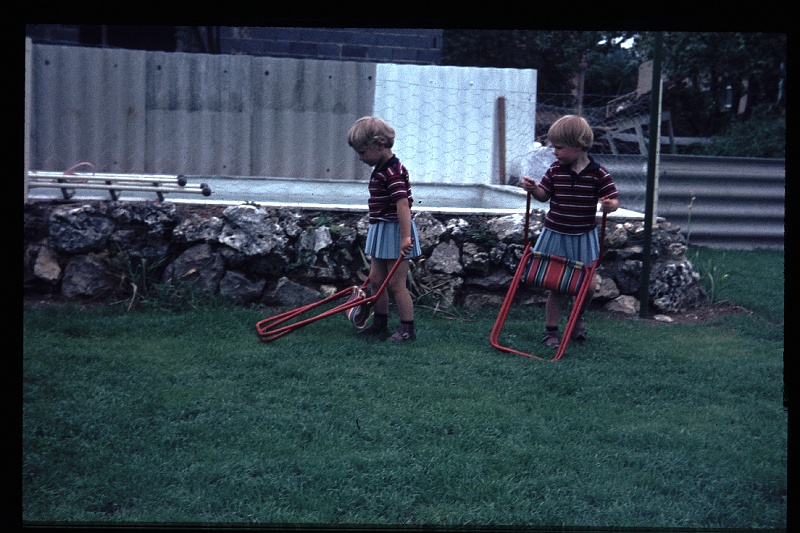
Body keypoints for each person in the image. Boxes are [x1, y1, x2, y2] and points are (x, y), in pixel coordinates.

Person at [521, 115, 620, 348]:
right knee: (558, 285)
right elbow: (544, 195)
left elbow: (613, 200)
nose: (554, 152)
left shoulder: (599, 174)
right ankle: (551, 331)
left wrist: (609, 206)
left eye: (558, 147)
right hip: (556, 233)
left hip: (583, 237)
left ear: (578, 146)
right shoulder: (555, 170)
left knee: (589, 286)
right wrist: (534, 188)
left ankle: (576, 317)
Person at [347, 116, 422, 342]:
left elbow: (403, 205)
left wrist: (405, 237)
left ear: (379, 145)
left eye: (362, 152)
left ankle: (407, 330)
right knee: (376, 279)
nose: (360, 158)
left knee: (396, 283)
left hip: (395, 230)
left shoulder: (393, 172)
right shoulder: (380, 168)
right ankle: (380, 323)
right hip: (380, 228)